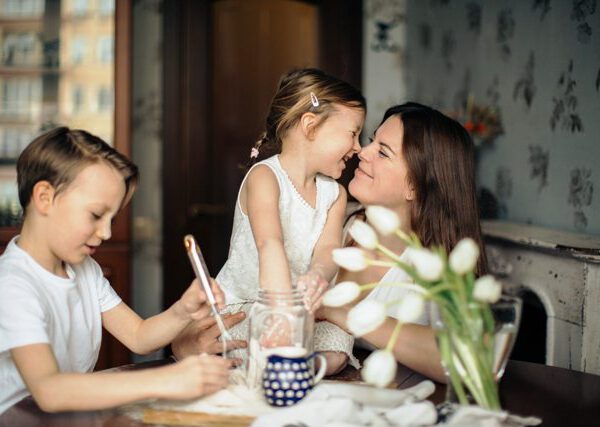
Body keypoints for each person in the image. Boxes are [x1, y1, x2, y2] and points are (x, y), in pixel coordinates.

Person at [0, 128, 229, 414]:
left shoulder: (85, 270)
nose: (106, 232)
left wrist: (183, 310)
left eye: (112, 218)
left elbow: (138, 336)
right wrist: (165, 380)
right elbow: (50, 390)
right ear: (45, 197)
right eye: (96, 215)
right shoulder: (13, 284)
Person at [318, 102, 488, 383]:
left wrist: (346, 314)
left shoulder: (437, 266)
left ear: (415, 186)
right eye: (372, 140)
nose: (362, 150)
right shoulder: (334, 219)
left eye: (383, 152)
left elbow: (470, 359)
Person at [213, 68, 366, 375]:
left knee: (339, 343)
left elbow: (328, 251)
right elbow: (270, 244)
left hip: (300, 312)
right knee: (257, 343)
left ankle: (300, 367)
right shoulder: (265, 177)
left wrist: (318, 277)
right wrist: (282, 315)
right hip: (247, 307)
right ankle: (283, 363)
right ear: (310, 125)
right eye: (353, 133)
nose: (359, 147)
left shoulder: (335, 194)